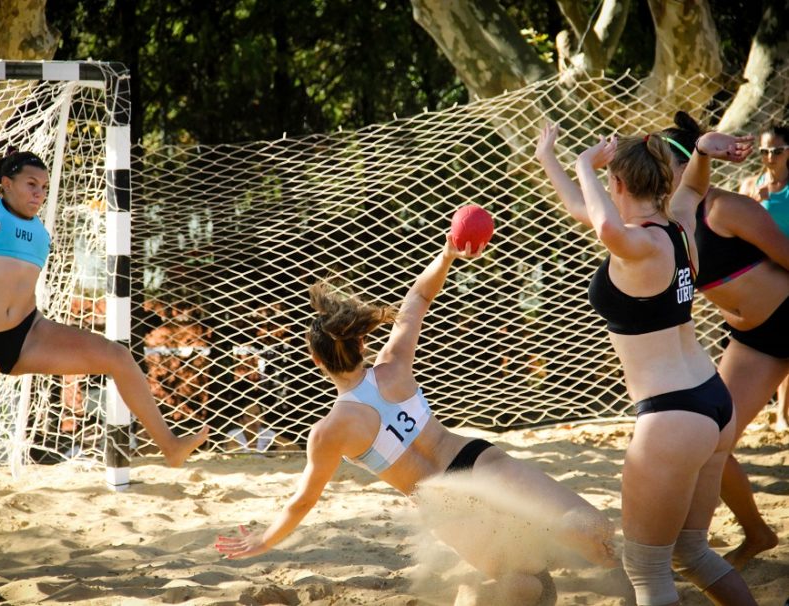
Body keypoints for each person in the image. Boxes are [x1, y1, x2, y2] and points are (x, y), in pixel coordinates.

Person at [215, 233, 618, 605]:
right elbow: (418, 297)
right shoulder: (393, 366)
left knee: (530, 586)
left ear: (316, 360)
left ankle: (487, 589)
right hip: (475, 460)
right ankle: (571, 536)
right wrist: (446, 254)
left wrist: (264, 540)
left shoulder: (329, 432)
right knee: (592, 526)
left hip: (443, 503)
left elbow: (302, 501)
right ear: (361, 342)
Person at [0, 149, 209, 570]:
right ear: (6, 182)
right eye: (32, 184)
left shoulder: (42, 233)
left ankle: (169, 446)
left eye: (44, 188)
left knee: (117, 355)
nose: (39, 193)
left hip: (28, 335)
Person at [535, 123, 757, 605]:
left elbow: (604, 225)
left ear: (616, 183)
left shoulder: (637, 244)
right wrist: (548, 156)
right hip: (713, 401)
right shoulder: (678, 223)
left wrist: (580, 163)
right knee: (691, 552)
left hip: (672, 417)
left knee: (647, 569)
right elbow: (689, 187)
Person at [661, 113, 789, 569]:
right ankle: (757, 532)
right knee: (711, 443)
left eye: (660, 166)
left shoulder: (726, 208)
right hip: (755, 339)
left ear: (682, 166)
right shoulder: (670, 222)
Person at [740, 122, 789, 434]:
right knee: (754, 349)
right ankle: (762, 412)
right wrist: (753, 204)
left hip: (786, 273)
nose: (770, 157)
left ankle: (782, 414)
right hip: (757, 276)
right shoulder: (749, 185)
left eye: (777, 150)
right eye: (765, 151)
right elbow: (732, 232)